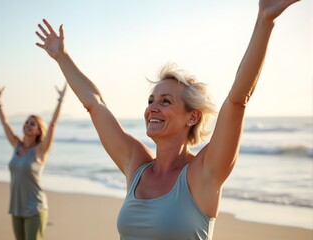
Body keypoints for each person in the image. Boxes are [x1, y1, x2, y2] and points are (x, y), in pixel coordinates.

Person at [35, 0, 299, 239]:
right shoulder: (136, 165)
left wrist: (265, 22)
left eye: (165, 101)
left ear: (192, 117)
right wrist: (62, 57)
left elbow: (237, 100)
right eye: (151, 101)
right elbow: (95, 104)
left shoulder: (204, 173)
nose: (153, 108)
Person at [0, 83, 67, 240]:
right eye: (26, 122)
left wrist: (60, 100)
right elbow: (5, 123)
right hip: (16, 208)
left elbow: (53, 124)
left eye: (32, 123)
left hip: (35, 209)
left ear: (39, 130)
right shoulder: (16, 145)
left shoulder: (40, 150)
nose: (27, 125)